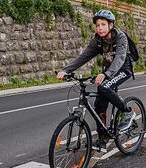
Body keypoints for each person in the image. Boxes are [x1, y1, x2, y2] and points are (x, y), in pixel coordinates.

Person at [57, 9, 134, 148]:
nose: (100, 28)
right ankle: (103, 138)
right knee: (99, 102)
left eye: (103, 24)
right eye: (98, 25)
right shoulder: (98, 40)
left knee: (104, 87)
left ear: (111, 25)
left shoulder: (120, 37)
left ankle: (127, 112)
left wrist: (106, 74)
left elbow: (120, 58)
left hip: (123, 69)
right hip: (108, 71)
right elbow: (84, 56)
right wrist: (66, 70)